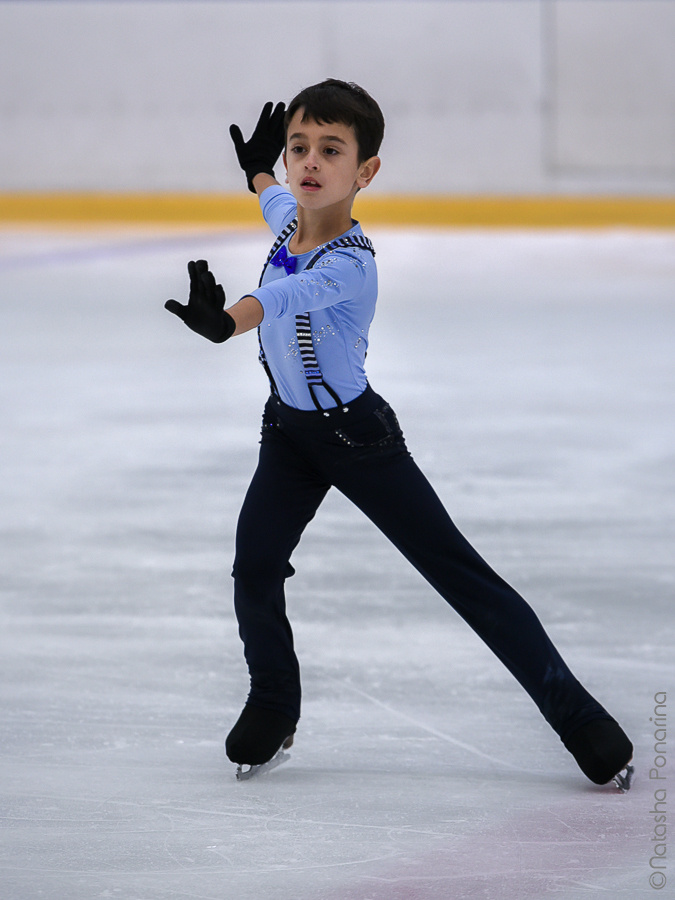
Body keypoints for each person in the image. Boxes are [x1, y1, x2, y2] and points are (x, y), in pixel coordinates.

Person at [165, 79, 633, 787]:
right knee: (254, 567)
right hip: (287, 434)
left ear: (366, 172)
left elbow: (285, 294)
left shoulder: (350, 264)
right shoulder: (290, 218)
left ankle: (583, 721)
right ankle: (273, 702)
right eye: (299, 148)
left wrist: (226, 321)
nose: (309, 162)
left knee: (460, 577)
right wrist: (258, 173)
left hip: (359, 440)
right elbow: (274, 200)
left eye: (330, 149)